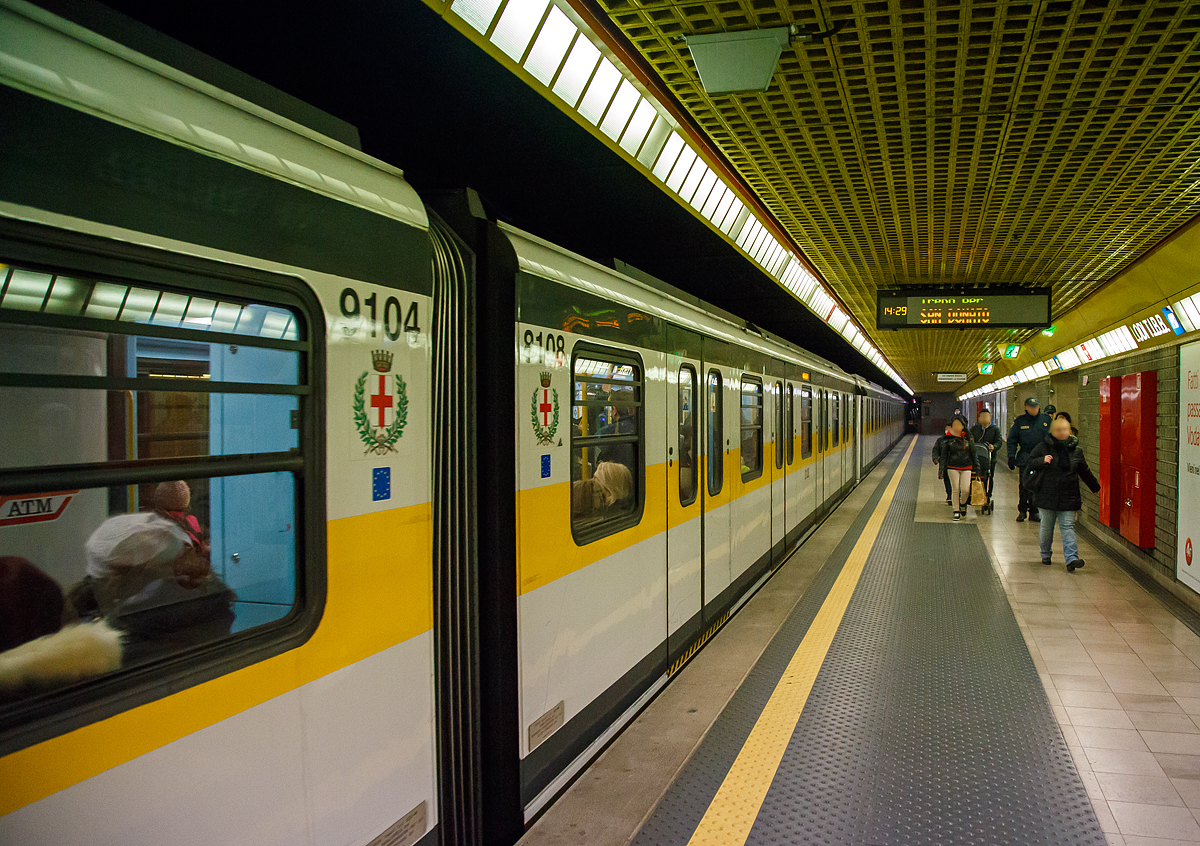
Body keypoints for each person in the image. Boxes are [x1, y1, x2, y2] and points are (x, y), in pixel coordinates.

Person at [1023, 417, 1101, 571]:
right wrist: (1041, 460)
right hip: (1047, 494)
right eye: (1059, 430)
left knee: (1068, 526)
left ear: (1070, 431)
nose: (1062, 433)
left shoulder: (1076, 450)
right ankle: (1045, 554)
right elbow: (1030, 462)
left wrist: (1095, 488)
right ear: (1052, 431)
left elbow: (1084, 471)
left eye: (1065, 429)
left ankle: (1072, 559)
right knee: (1047, 527)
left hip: (1069, 495)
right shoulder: (1042, 447)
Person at [1007, 397, 1052, 523]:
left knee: (1038, 484)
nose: (1034, 409)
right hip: (1025, 457)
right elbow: (1012, 440)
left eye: (1036, 406)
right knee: (1024, 484)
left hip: (1041, 457)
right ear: (1026, 407)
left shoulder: (1046, 420)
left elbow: (1052, 438)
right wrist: (1011, 456)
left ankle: (1034, 511)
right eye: (1031, 407)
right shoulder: (1020, 422)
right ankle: (1022, 510)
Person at [934, 414, 976, 521]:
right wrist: (941, 470)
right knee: (955, 489)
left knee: (965, 489)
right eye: (954, 425)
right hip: (952, 466)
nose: (956, 427)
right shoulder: (948, 438)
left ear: (963, 426)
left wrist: (977, 467)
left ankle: (963, 503)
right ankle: (956, 510)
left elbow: (973, 453)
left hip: (967, 466)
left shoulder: (969, 437)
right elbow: (943, 455)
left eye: (958, 424)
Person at [970, 409, 1004, 504]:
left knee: (988, 476)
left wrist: (994, 446)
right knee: (974, 476)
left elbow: (999, 441)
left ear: (990, 418)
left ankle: (987, 495)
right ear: (979, 418)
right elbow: (969, 439)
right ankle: (973, 494)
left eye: (987, 416)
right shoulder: (974, 429)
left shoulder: (995, 430)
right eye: (983, 416)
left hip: (990, 459)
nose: (985, 418)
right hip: (975, 458)